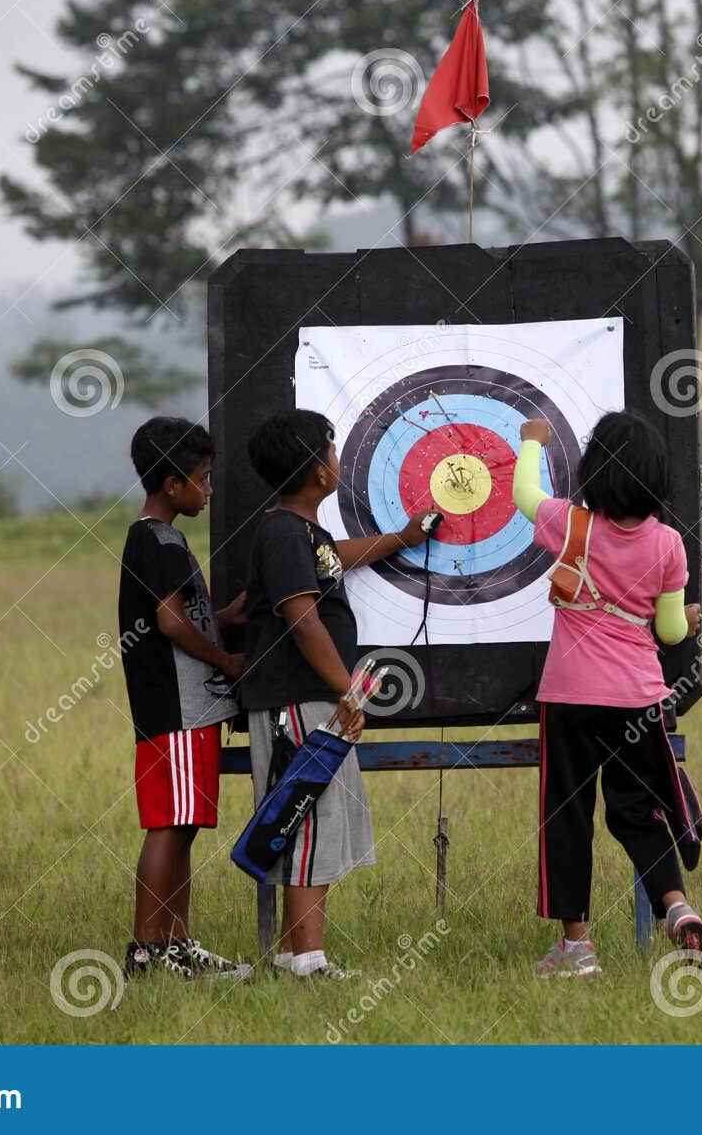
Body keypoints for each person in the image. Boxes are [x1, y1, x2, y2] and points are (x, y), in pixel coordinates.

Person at [514, 410, 702, 979]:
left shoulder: (573, 527)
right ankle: (676, 906)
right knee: (640, 812)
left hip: (569, 699)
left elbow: (526, 494)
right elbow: (669, 632)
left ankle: (577, 948)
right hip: (639, 700)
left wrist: (531, 443)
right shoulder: (670, 544)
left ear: (596, 470)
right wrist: (689, 622)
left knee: (568, 815)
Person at [238, 409, 432, 980]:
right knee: (305, 820)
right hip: (298, 703)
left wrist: (401, 538)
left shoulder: (304, 533)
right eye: (332, 449)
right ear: (318, 472)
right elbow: (303, 618)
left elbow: (334, 560)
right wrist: (348, 692)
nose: (338, 459)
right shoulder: (280, 533)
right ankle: (308, 961)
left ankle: (296, 954)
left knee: (312, 820)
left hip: (310, 700)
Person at [118, 416, 251, 982]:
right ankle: (147, 952)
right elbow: (171, 623)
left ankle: (177, 945)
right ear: (172, 485)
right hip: (174, 709)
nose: (210, 489)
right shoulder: (157, 541)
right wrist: (224, 659)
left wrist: (225, 618)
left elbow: (184, 618)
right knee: (169, 825)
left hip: (190, 709)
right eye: (203, 478)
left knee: (186, 824)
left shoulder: (164, 540)